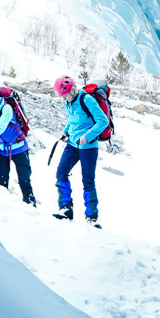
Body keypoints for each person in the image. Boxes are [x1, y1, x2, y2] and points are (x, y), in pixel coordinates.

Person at [52, 75, 108, 226]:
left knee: (88, 180)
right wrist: (66, 131)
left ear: (70, 90)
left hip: (88, 146)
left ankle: (91, 218)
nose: (63, 99)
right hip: (72, 144)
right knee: (61, 173)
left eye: (64, 95)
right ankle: (66, 210)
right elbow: (72, 119)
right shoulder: (68, 102)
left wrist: (87, 137)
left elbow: (103, 121)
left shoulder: (86, 99)